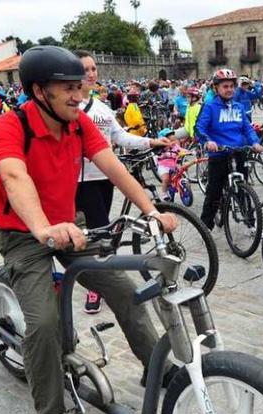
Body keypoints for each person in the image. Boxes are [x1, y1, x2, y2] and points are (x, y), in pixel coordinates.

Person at [0, 45, 176, 414]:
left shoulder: (80, 124)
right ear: (39, 91)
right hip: (25, 234)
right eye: (68, 88)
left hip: (71, 228)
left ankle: (157, 368)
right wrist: (41, 229)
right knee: (44, 325)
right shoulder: (10, 124)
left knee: (125, 291)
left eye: (81, 86)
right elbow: (14, 175)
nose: (79, 95)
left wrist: (151, 211)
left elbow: (115, 167)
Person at [75, 50, 169, 313]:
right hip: (81, 180)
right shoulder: (70, 108)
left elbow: (120, 138)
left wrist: (150, 141)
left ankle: (96, 276)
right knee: (99, 232)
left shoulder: (103, 108)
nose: (92, 73)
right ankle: (96, 287)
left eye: (94, 68)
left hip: (105, 177)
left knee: (98, 231)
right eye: (85, 69)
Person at [194, 68, 263, 230]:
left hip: (238, 151)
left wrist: (255, 142)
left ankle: (251, 223)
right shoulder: (210, 107)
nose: (229, 89)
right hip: (218, 153)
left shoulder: (238, 107)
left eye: (232, 86)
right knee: (214, 192)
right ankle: (205, 227)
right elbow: (199, 128)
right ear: (216, 88)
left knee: (243, 189)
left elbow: (247, 128)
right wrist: (207, 141)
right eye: (225, 86)